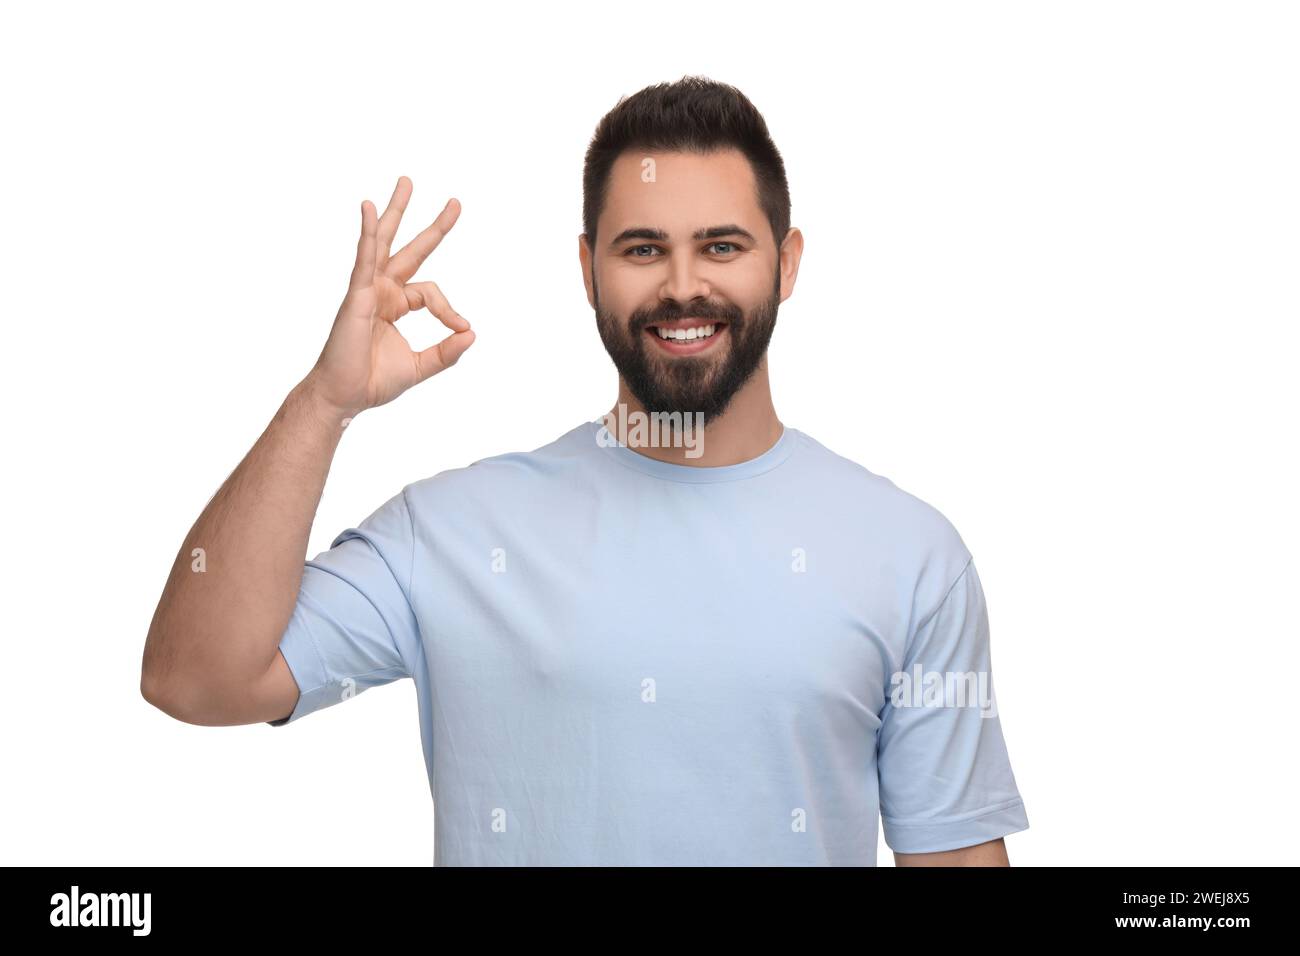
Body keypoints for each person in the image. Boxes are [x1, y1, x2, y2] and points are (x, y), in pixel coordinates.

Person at [142, 75, 1029, 866]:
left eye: (723, 246)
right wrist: (322, 404)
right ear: (587, 269)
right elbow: (197, 678)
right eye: (642, 249)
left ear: (786, 263)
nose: (684, 285)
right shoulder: (452, 534)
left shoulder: (911, 558)